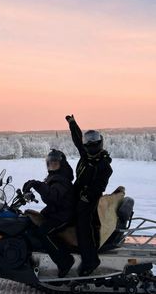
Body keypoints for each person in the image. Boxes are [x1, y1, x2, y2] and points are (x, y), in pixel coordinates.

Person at [65, 114, 113, 276]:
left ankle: (90, 260)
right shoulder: (86, 156)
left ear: (100, 143)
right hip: (78, 193)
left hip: (89, 199)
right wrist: (73, 123)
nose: (91, 144)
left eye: (94, 142)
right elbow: (78, 139)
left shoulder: (104, 165)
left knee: (83, 227)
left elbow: (100, 185)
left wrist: (87, 196)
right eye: (89, 142)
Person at [23, 149, 75, 278]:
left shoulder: (62, 179)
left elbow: (53, 196)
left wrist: (37, 184)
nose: (52, 166)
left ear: (62, 164)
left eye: (55, 163)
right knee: (30, 222)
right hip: (56, 210)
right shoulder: (56, 176)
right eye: (50, 163)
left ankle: (65, 261)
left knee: (43, 232)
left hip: (63, 215)